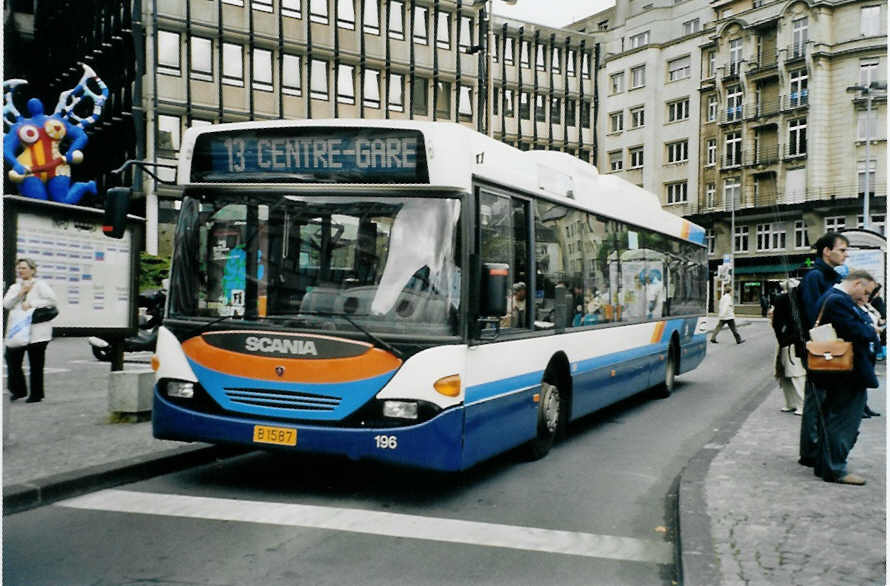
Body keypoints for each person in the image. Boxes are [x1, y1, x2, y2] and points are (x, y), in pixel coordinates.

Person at [808, 270, 880, 485]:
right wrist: (872, 330)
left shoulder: (833, 298)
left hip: (841, 371)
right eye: (866, 292)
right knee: (844, 421)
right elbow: (857, 331)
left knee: (833, 418)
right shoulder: (838, 301)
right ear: (858, 283)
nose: (866, 298)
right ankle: (835, 468)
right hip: (847, 372)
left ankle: (825, 465)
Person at [797, 232, 849, 467]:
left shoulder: (829, 277)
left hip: (827, 345)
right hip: (820, 346)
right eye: (842, 250)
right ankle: (810, 451)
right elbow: (812, 315)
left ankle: (816, 447)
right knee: (816, 399)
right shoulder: (816, 277)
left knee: (824, 398)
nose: (845, 255)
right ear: (827, 252)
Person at [3, 258, 58, 403]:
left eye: (24, 268)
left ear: (32, 270)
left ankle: (36, 394)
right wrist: (21, 293)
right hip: (18, 330)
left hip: (37, 332)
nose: (21, 271)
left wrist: (32, 303)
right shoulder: (15, 287)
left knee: (36, 364)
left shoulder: (40, 285)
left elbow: (52, 300)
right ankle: (18, 390)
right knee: (11, 359)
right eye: (19, 268)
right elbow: (6, 304)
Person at [770, 279, 805, 414]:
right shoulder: (797, 300)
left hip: (787, 341)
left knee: (788, 373)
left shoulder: (781, 299)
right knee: (794, 373)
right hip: (792, 341)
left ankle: (794, 402)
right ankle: (797, 403)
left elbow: (777, 322)